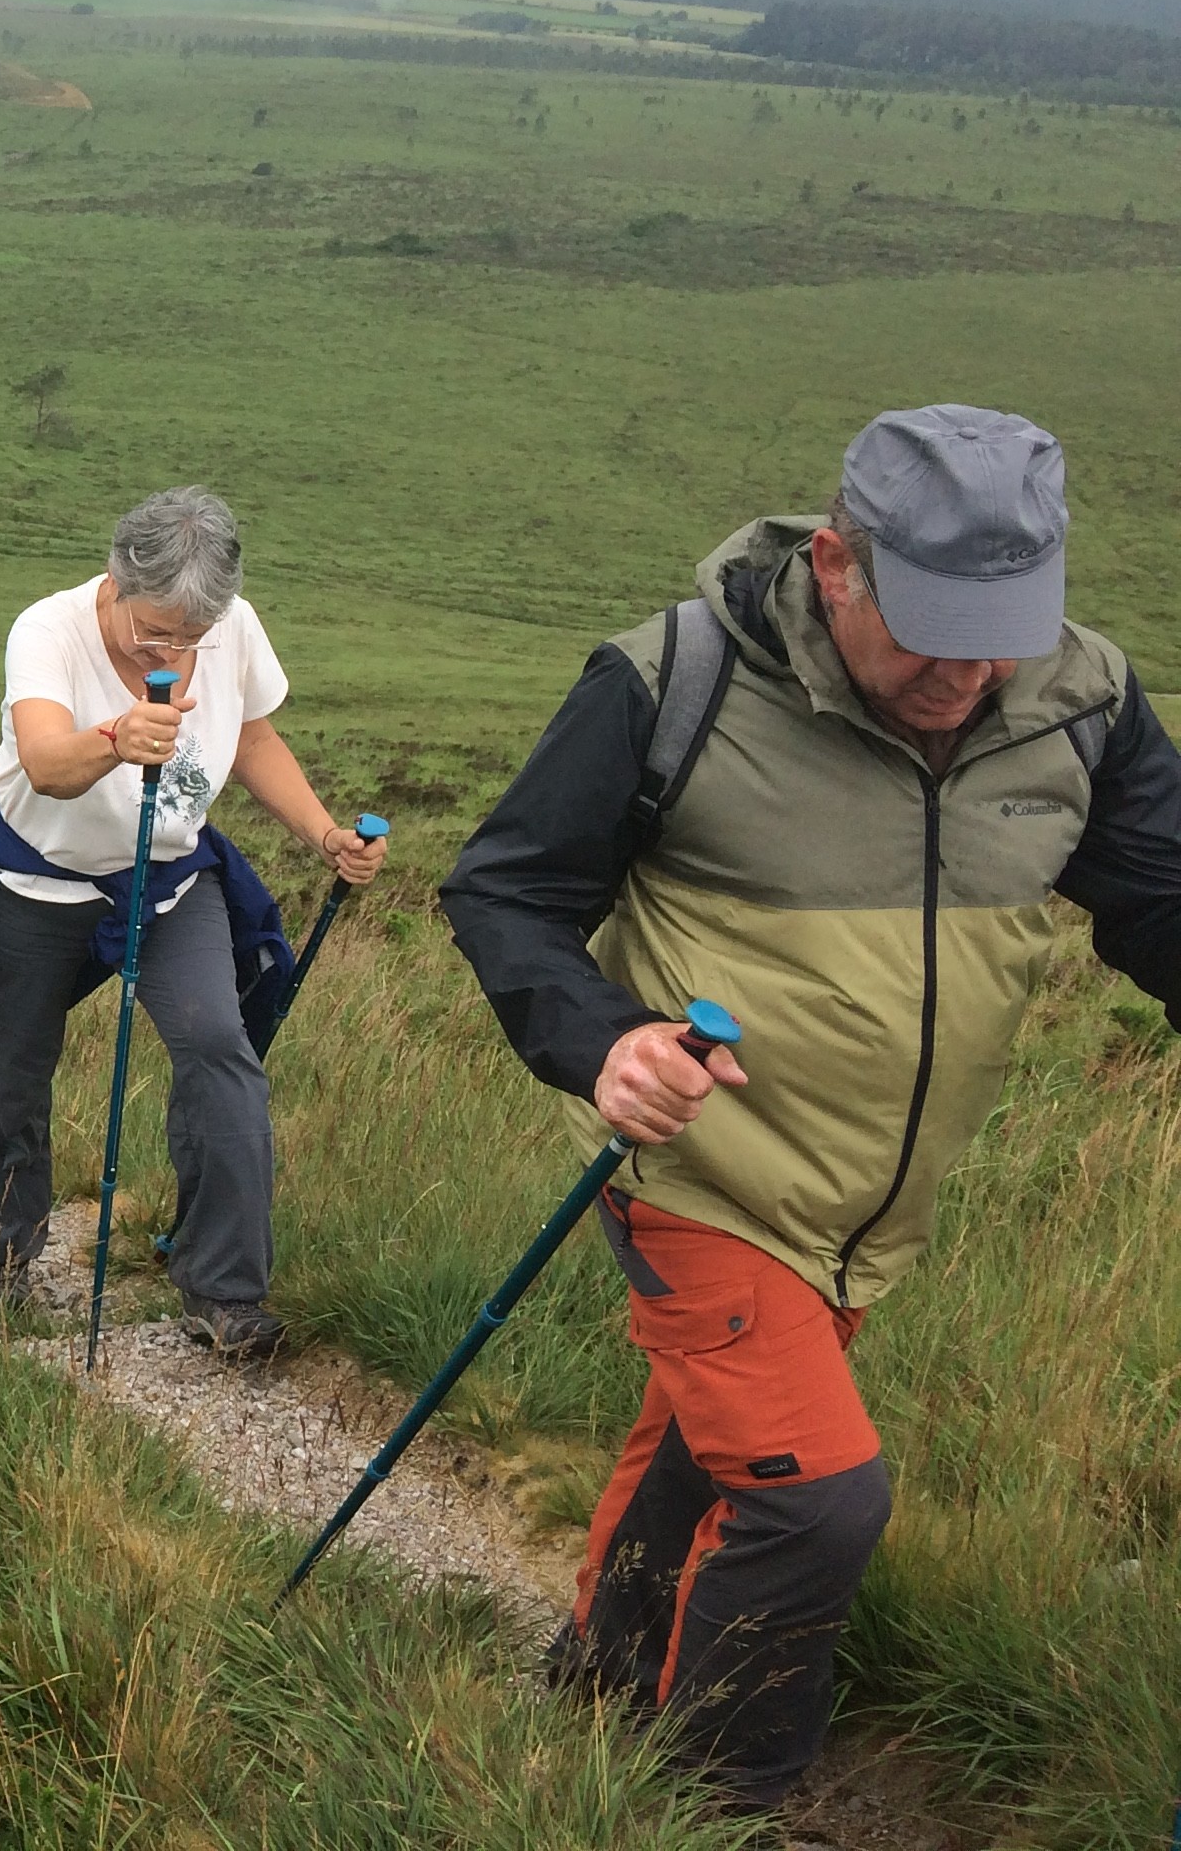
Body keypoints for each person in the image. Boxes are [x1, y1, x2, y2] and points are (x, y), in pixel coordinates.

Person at [440, 406, 1181, 1812]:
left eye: (1002, 629)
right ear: (837, 564)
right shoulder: (678, 680)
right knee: (813, 1492)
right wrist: (602, 1045)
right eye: (932, 627)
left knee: (706, 1444)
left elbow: (1163, 897)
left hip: (865, 1212)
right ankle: (712, 1807)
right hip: (699, 1172)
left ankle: (597, 1685)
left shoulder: (1083, 705)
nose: (968, 670)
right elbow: (507, 890)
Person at [0, 486, 384, 1347]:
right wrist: (114, 737)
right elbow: (42, 762)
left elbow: (253, 738)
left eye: (193, 638)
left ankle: (224, 1292)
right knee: (14, 1067)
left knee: (221, 1048)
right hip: (38, 879)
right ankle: (2, 1254)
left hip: (170, 875)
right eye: (157, 634)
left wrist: (323, 832)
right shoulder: (48, 629)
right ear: (114, 581)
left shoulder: (231, 626)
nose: (177, 650)